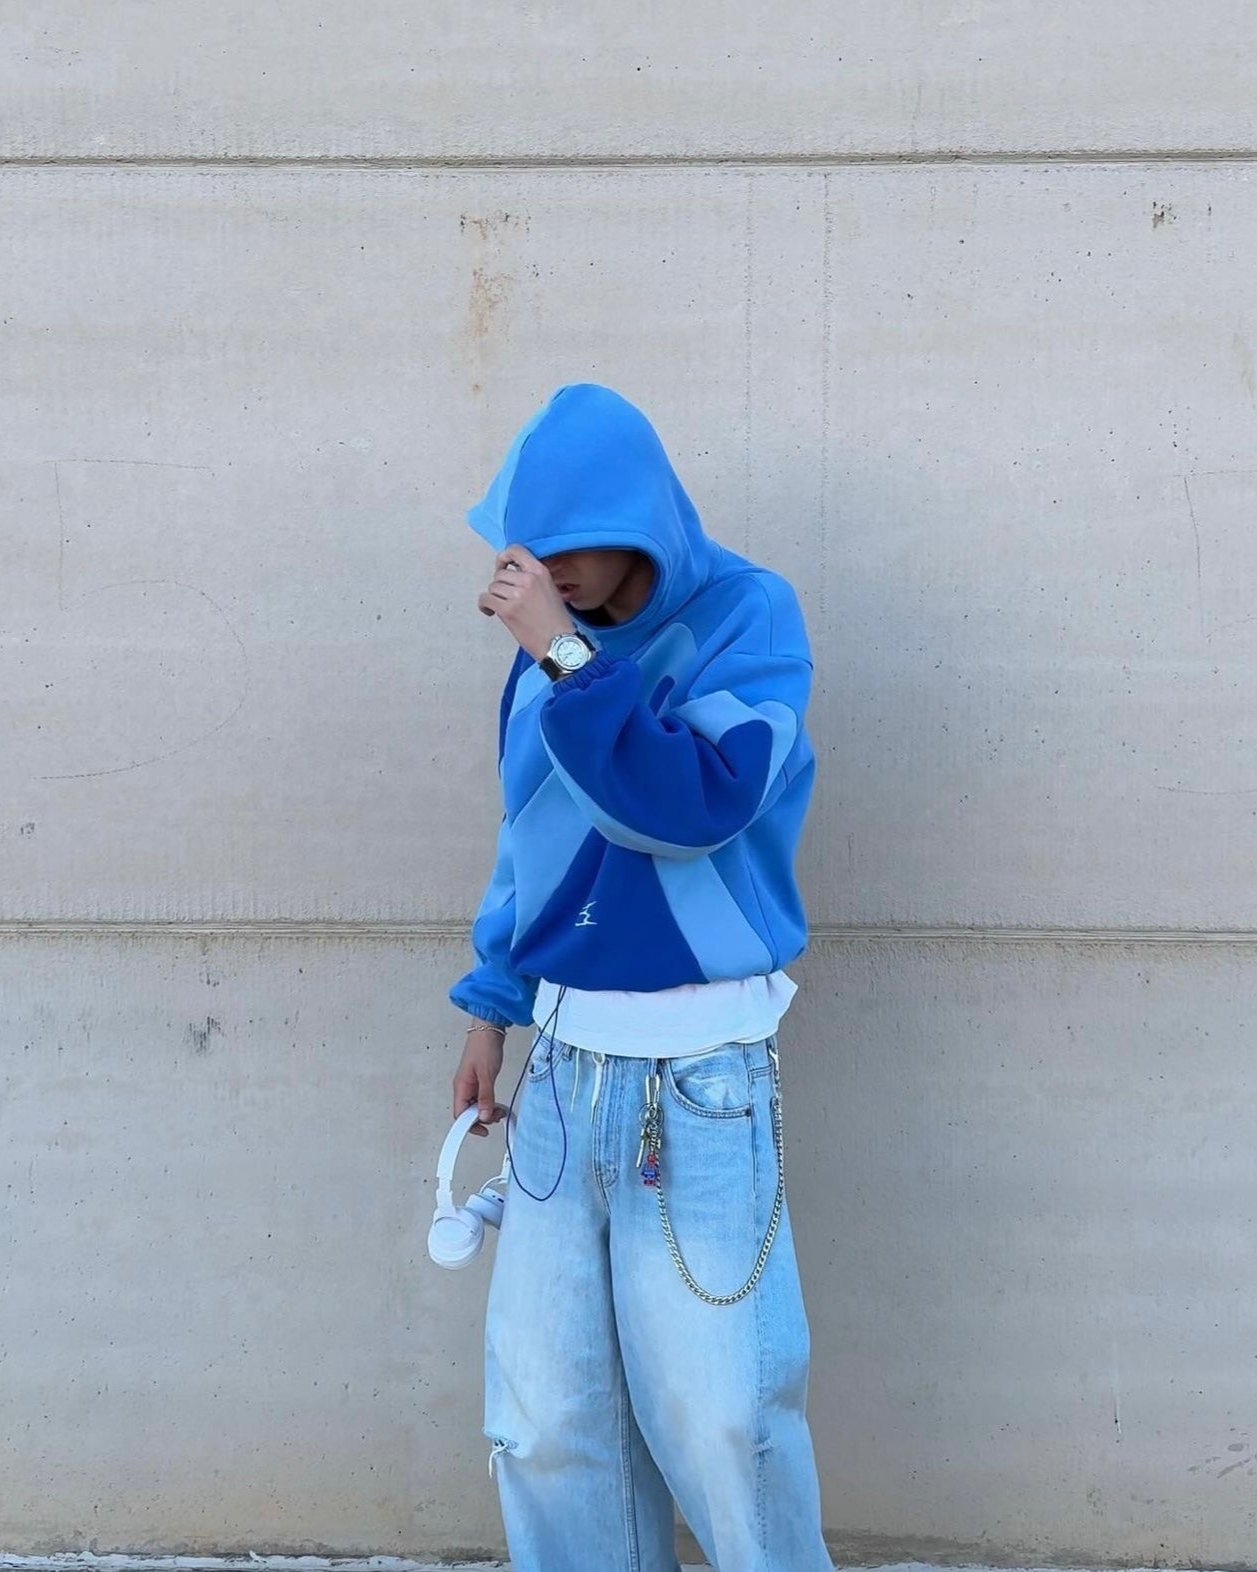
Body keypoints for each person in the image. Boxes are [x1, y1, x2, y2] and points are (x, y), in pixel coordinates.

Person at [448, 383, 832, 1572]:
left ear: (640, 520)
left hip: (702, 1081)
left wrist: (565, 658)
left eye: (571, 543)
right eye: (529, 549)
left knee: (726, 1425)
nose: (546, 572)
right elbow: (531, 837)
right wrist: (491, 1007)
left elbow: (696, 806)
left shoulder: (747, 618)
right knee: (548, 1432)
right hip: (564, 1075)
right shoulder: (548, 655)